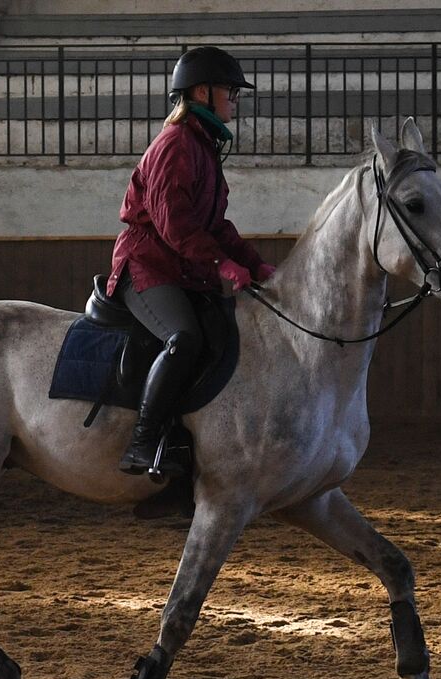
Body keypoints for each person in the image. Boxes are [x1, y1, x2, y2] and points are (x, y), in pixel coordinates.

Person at [105, 46, 277, 475]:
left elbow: (216, 226)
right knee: (184, 338)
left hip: (184, 270)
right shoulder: (175, 145)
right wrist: (222, 265)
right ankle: (142, 443)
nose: (235, 99)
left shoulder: (203, 148)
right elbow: (174, 225)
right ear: (202, 92)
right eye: (230, 91)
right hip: (147, 268)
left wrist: (256, 266)